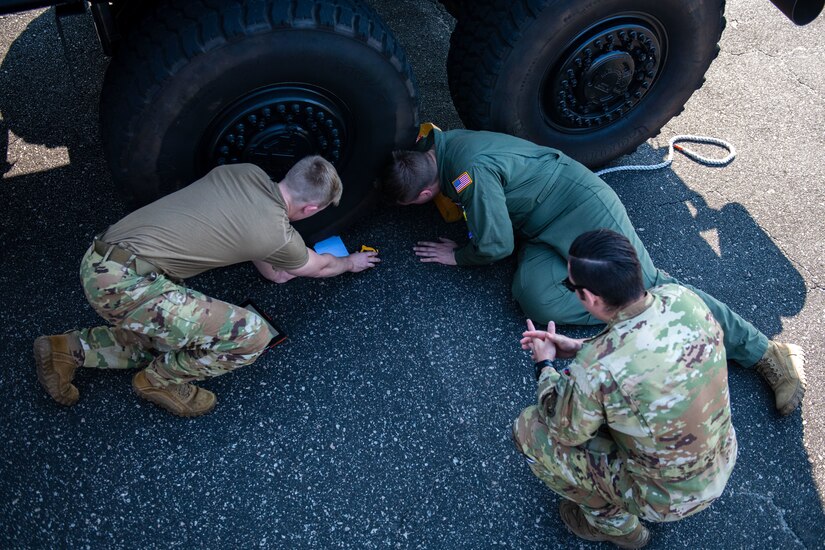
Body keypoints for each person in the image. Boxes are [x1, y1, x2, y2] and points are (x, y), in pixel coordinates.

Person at [378, 125, 805, 415]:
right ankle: (629, 319)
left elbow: (496, 245)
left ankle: (766, 353)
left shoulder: (469, 174)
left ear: (428, 190)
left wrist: (459, 256)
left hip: (581, 207)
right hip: (541, 223)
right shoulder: (440, 145)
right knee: (532, 295)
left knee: (644, 286)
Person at [34, 157, 380, 417]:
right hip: (127, 286)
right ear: (310, 208)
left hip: (101, 258)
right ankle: (159, 381)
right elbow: (318, 267)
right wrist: (351, 262)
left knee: (172, 333)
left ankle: (68, 349)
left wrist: (277, 259)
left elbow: (261, 253)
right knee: (251, 335)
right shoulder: (278, 234)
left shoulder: (246, 172)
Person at [513, 229, 737, 548]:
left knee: (528, 428)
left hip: (665, 500)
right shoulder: (682, 298)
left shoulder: (596, 368)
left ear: (589, 297)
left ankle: (616, 527)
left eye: (570, 287)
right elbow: (643, 344)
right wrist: (580, 347)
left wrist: (545, 365)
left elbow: (566, 431)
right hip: (721, 455)